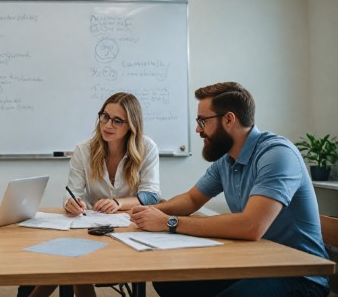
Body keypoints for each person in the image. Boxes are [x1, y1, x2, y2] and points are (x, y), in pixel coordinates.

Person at [130, 82, 330, 296]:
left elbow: (251, 226)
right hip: (256, 263)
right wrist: (150, 211)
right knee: (169, 281)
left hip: (298, 274)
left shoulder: (277, 154)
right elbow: (190, 199)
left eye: (202, 121)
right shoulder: (227, 160)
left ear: (228, 119)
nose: (198, 129)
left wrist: (169, 222)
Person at [29, 92, 160, 297]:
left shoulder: (146, 148)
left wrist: (118, 203)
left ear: (131, 125)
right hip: (91, 227)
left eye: (117, 121)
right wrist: (72, 203)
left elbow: (151, 196)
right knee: (67, 258)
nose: (108, 125)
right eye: (104, 116)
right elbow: (72, 193)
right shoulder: (84, 150)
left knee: (70, 261)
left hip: (131, 227)